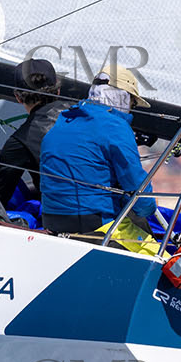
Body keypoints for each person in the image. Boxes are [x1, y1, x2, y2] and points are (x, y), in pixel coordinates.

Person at [38, 65, 156, 236]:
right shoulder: (115, 126)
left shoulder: (64, 119)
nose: (131, 109)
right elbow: (138, 188)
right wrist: (148, 209)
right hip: (93, 224)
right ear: (123, 97)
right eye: (133, 103)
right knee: (157, 250)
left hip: (52, 221)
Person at [0, 57, 65, 207]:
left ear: (18, 97)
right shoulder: (87, 114)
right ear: (58, 90)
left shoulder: (19, 142)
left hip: (61, 216)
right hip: (109, 209)